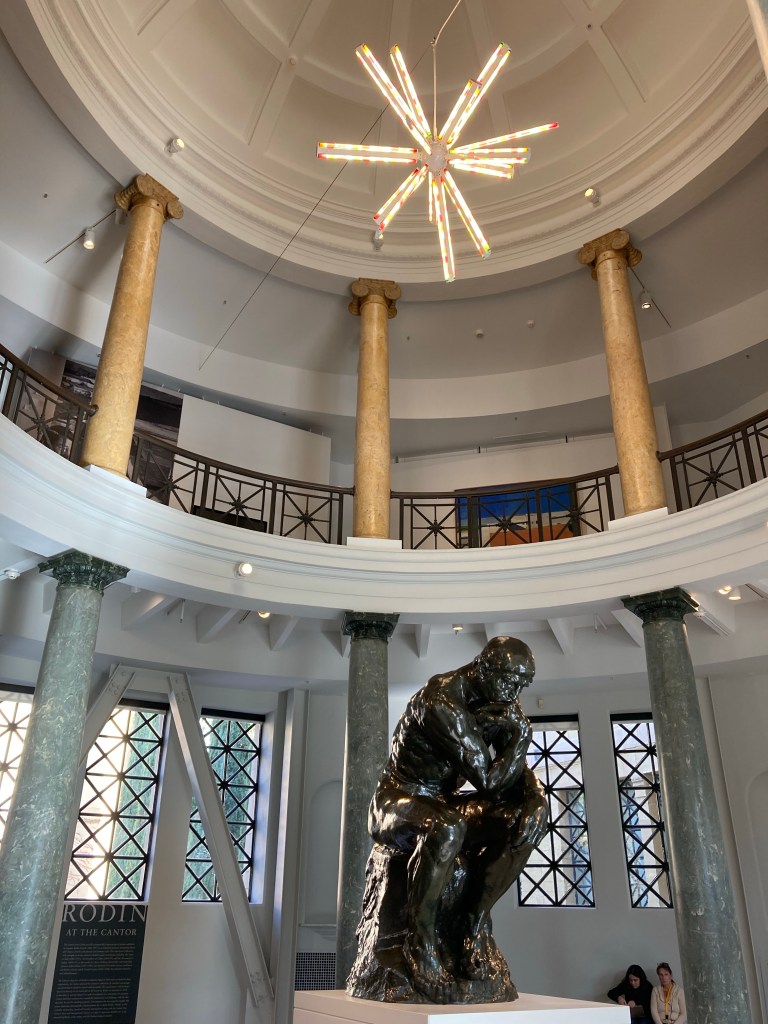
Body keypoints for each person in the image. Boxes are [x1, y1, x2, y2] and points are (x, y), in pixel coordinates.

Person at [360, 636, 548, 1002]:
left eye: (523, 685)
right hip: (397, 802)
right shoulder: (441, 701)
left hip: (445, 801)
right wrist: (522, 735)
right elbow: (490, 780)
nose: (515, 693)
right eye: (511, 682)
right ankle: (420, 946)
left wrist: (537, 797)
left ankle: (470, 925)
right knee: (446, 827)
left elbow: (513, 770)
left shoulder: (499, 698)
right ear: (484, 668)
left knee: (523, 819)